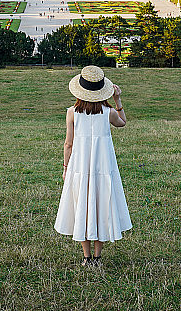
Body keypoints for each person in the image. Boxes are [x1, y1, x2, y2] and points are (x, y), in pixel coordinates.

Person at [54, 65, 132, 267]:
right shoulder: (108, 112)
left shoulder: (72, 112)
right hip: (103, 169)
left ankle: (86, 257)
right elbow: (123, 122)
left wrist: (65, 168)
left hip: (79, 168)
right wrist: (118, 100)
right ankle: (97, 258)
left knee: (82, 206)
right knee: (101, 206)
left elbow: (68, 144)